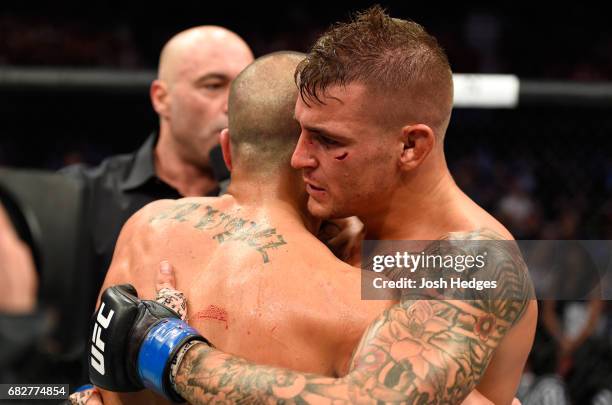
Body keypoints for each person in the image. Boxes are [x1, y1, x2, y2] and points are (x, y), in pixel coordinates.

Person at [93, 6, 537, 404]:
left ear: (410, 146)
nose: (298, 157)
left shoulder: (476, 262)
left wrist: (168, 352)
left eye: (327, 140)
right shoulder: (341, 231)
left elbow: (372, 403)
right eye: (302, 132)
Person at [62, 25, 254, 319]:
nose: (233, 104)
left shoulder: (279, 203)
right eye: (213, 85)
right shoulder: (83, 196)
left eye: (244, 87)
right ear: (161, 98)